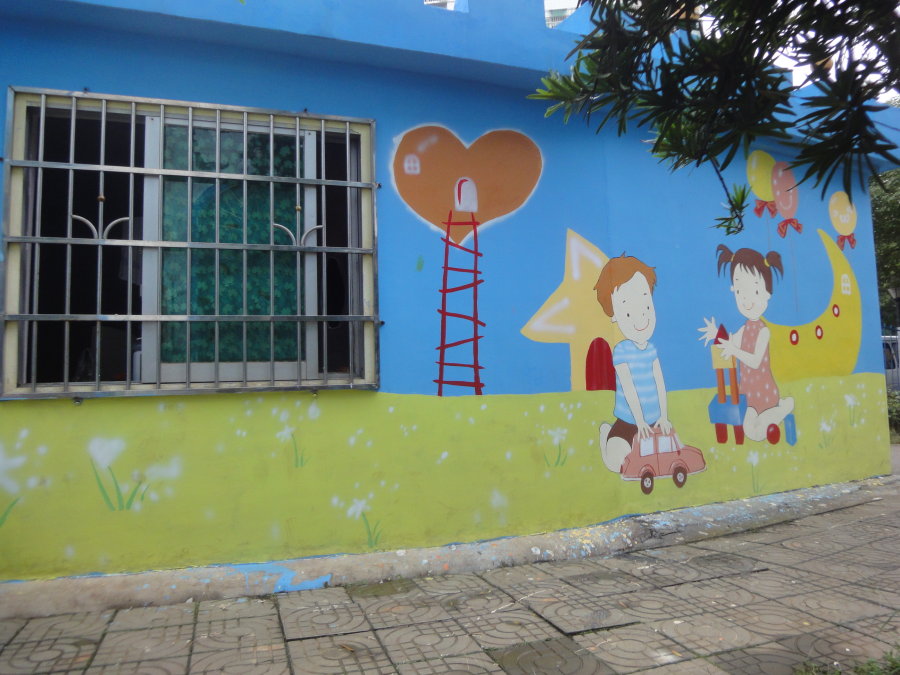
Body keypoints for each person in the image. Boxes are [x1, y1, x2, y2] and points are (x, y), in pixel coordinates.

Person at [699, 245, 794, 442]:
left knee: (757, 432)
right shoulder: (745, 328)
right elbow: (729, 341)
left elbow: (755, 361)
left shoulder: (763, 331)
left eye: (755, 291)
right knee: (751, 430)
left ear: (767, 293)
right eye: (740, 291)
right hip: (748, 396)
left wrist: (734, 350)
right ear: (733, 291)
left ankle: (784, 408)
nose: (747, 299)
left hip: (766, 394)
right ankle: (776, 415)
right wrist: (716, 333)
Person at [595, 255, 671, 473]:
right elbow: (628, 388)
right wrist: (639, 421)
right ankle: (606, 435)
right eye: (628, 312)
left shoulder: (652, 350)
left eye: (646, 307)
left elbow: (660, 384)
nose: (641, 319)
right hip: (629, 422)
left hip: (654, 422)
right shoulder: (621, 351)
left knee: (660, 461)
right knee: (618, 464)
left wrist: (664, 416)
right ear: (614, 316)